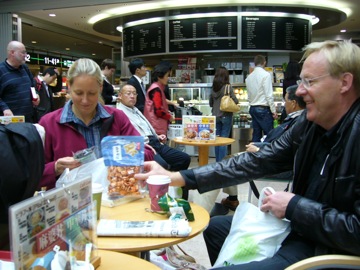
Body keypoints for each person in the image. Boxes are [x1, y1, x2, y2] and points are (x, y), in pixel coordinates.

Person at [135, 40, 360, 269]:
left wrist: (294, 207)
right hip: (300, 228)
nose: (299, 92)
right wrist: (180, 177)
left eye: (309, 82)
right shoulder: (311, 123)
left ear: (344, 82)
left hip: (325, 251)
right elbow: (257, 161)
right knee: (216, 228)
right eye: (301, 81)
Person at [38, 58, 155, 191]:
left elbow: (147, 154)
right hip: (69, 204)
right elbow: (33, 175)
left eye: (92, 93)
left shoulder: (117, 118)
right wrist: (56, 167)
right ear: (69, 87)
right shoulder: (49, 123)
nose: (85, 100)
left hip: (115, 199)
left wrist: (120, 153)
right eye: (79, 93)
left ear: (100, 88)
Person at [117, 84, 190, 171]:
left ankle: (171, 181)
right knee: (162, 165)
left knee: (184, 158)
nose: (132, 96)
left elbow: (145, 128)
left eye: (134, 93)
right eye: (128, 93)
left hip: (156, 142)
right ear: (120, 96)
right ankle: (162, 180)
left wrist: (157, 136)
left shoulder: (135, 110)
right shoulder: (119, 113)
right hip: (144, 145)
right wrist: (146, 145)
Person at [0, 41, 40, 122]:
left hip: (29, 119)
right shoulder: (1, 70)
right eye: (23, 52)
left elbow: (33, 86)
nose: (25, 55)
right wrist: (4, 108)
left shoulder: (25, 68)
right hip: (11, 121)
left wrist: (36, 95)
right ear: (12, 52)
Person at [209, 66, 238, 162]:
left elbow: (210, 103)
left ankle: (218, 162)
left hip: (215, 116)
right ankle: (222, 163)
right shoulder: (228, 87)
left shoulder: (213, 88)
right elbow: (235, 100)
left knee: (217, 140)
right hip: (226, 115)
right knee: (224, 140)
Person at [246, 55, 278, 142]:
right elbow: (269, 95)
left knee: (256, 135)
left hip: (253, 108)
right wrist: (274, 111)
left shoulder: (249, 77)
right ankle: (268, 155)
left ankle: (254, 154)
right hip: (263, 109)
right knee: (270, 135)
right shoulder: (266, 75)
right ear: (264, 63)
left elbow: (249, 96)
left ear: (255, 64)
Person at [144, 64, 174, 135]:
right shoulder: (156, 89)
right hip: (157, 127)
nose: (168, 78)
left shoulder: (157, 87)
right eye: (167, 76)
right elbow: (158, 111)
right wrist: (169, 117)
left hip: (156, 125)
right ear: (159, 76)